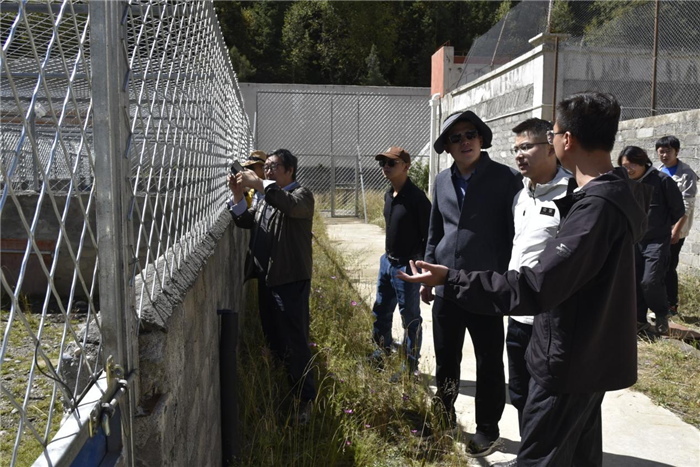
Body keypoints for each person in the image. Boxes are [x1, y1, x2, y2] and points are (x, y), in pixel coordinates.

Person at [400, 92, 651, 467]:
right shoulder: (606, 197)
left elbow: (536, 284)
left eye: (552, 134)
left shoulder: (593, 209)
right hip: (582, 355)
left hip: (568, 359)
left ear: (566, 140)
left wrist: (452, 279)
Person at [425, 110, 522, 455]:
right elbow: (435, 230)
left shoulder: (506, 178)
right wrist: (428, 275)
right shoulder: (441, 181)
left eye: (470, 134)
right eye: (456, 138)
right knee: (445, 358)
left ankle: (487, 429)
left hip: (486, 287)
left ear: (481, 139)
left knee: (489, 362)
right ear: (448, 147)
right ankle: (443, 414)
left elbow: (516, 233)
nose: (464, 142)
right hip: (447, 286)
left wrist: (509, 279)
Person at [227, 148, 316, 424]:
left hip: (290, 280)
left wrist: (259, 184)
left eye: (273, 166)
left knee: (295, 340)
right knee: (273, 335)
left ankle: (305, 399)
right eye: (265, 167)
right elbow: (247, 221)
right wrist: (238, 195)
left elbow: (288, 205)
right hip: (268, 279)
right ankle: (285, 381)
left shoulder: (302, 195)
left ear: (290, 170)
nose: (267, 171)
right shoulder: (266, 198)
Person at [506, 118, 570, 432]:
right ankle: (527, 452)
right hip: (518, 315)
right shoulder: (521, 194)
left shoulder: (572, 195)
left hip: (550, 322)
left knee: (546, 400)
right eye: (516, 149)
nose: (519, 155)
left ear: (550, 147)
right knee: (519, 393)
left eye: (526, 147)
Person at [370, 146, 431, 376]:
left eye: (391, 163)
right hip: (387, 262)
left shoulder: (417, 199)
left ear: (406, 166)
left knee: (410, 319)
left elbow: (430, 236)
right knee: (381, 311)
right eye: (383, 163)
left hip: (407, 267)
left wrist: (420, 268)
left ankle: (409, 368)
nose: (385, 167)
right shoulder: (389, 195)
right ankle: (381, 353)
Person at [618, 146, 684, 334]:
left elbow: (678, 210)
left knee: (651, 281)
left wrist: (660, 226)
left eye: (632, 165)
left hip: (656, 241)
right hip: (633, 240)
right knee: (635, 281)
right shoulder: (624, 182)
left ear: (643, 163)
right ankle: (639, 320)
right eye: (624, 166)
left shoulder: (662, 181)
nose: (628, 170)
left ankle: (661, 313)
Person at [655, 136, 698, 316]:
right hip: (658, 227)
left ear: (677, 152)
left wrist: (676, 230)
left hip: (675, 229)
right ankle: (659, 303)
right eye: (661, 152)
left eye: (668, 151)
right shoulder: (658, 171)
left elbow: (687, 205)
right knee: (658, 265)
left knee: (669, 265)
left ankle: (671, 305)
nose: (664, 155)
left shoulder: (687, 173)